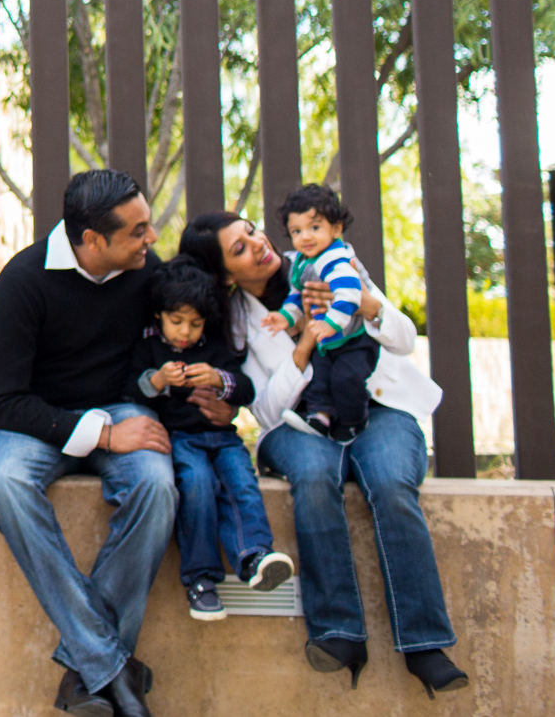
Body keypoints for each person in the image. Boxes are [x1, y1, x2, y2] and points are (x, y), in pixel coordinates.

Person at [179, 203, 470, 701]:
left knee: (390, 481)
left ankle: (425, 644)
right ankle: (338, 633)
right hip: (299, 424)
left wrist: (365, 306)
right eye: (240, 249)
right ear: (224, 275)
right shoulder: (235, 325)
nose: (261, 245)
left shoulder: (325, 259)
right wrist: (302, 349)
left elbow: (404, 341)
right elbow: (266, 409)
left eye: (253, 232)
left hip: (378, 407)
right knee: (314, 478)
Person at [0, 168, 176, 717]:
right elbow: (2, 402)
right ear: (92, 240)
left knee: (158, 486)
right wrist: (103, 434)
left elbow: (194, 313)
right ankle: (114, 668)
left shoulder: (145, 272)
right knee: (9, 484)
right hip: (37, 419)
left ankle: (90, 671)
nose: (150, 239)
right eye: (137, 231)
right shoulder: (23, 281)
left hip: (119, 407)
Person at [125, 255, 295, 621]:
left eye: (195, 324)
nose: (185, 332)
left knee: (241, 484)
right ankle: (201, 579)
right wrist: (158, 380)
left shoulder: (213, 349)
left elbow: (244, 388)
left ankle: (254, 557)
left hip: (223, 439)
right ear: (159, 315)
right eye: (177, 322)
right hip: (182, 440)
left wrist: (220, 380)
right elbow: (132, 391)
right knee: (197, 487)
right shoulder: (148, 348)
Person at [262, 185, 380, 441]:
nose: (305, 236)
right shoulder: (303, 262)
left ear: (336, 229)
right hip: (329, 338)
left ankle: (353, 422)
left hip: (354, 340)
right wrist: (285, 316)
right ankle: (320, 418)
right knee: (320, 377)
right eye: (297, 231)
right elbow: (297, 296)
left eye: (314, 228)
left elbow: (350, 293)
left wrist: (331, 323)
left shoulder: (335, 258)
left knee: (346, 379)